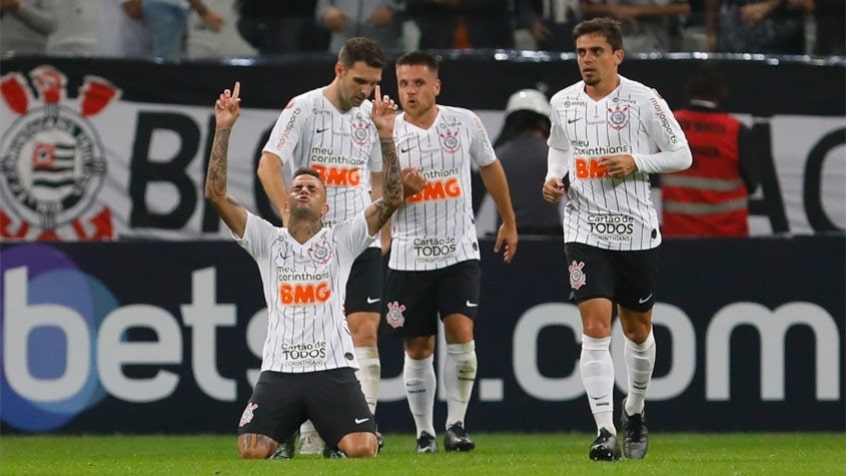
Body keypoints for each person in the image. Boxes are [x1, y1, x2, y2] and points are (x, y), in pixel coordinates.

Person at [207, 81, 418, 459]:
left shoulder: (343, 239)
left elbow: (393, 199)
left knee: (363, 449)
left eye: (312, 188)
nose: (303, 190)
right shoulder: (265, 240)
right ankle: (287, 427)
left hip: (332, 370)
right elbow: (216, 195)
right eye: (298, 186)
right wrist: (223, 129)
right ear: (286, 200)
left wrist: (386, 136)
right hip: (280, 370)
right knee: (250, 451)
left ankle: (324, 430)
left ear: (325, 208)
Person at [541, 17, 691, 461]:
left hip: (636, 230)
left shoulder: (644, 99)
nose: (587, 59)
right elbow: (559, 146)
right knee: (594, 329)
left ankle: (636, 411)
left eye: (596, 52)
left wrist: (636, 162)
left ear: (617, 56)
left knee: (638, 331)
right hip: (584, 229)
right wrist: (554, 178)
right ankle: (604, 430)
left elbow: (682, 154)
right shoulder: (563, 102)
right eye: (581, 52)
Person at [256, 36, 389, 456]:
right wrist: (287, 216)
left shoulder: (371, 116)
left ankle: (354, 424)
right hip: (312, 246)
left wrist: (383, 230)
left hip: (357, 240)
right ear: (339, 69)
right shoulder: (304, 108)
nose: (365, 92)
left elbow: (378, 176)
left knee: (365, 329)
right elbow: (268, 163)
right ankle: (298, 430)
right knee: (307, 338)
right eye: (360, 81)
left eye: (372, 84)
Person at [387, 50, 518, 453]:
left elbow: (491, 166)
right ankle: (424, 431)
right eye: (404, 83)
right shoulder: (385, 131)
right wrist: (398, 190)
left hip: (458, 250)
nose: (410, 91)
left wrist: (508, 221)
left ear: (436, 86)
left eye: (418, 83)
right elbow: (374, 194)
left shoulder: (463, 122)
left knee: (461, 332)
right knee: (418, 346)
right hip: (408, 255)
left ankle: (456, 424)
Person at [662, 65, 759, 237]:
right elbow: (752, 184)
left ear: (689, 90)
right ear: (722, 93)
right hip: (727, 238)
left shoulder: (669, 125)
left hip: (678, 237)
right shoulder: (735, 131)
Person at [494, 88, 563, 235]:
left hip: (507, 243)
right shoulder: (555, 156)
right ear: (544, 123)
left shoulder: (497, 158)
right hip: (551, 244)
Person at [580, 0, 690, 53]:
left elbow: (683, 7)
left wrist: (638, 12)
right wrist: (612, 10)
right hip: (611, 43)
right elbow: (585, 7)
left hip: (656, 44)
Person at [404, 0, 515, 49]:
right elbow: (412, 6)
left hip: (487, 44)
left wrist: (459, 2)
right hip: (439, 45)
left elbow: (500, 5)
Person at [141, 0, 224, 59]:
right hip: (166, 8)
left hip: (168, 7)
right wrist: (203, 12)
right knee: (169, 56)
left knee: (172, 54)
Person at [317, 0, 404, 53]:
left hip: (385, 49)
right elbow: (321, 8)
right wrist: (327, 13)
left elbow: (410, 7)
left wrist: (393, 12)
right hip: (341, 50)